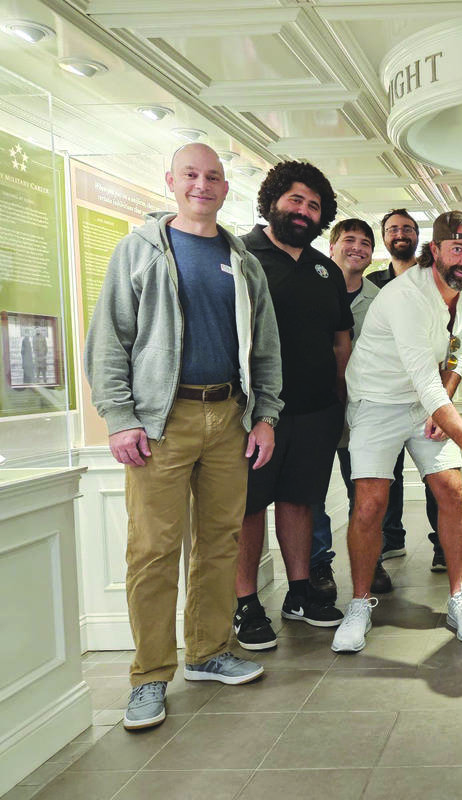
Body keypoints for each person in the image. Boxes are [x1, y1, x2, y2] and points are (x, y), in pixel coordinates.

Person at [84, 143, 282, 730]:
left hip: (229, 418)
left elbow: (265, 347)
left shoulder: (242, 260)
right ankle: (148, 677)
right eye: (191, 175)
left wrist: (265, 414)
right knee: (152, 550)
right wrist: (119, 419)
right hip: (159, 423)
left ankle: (208, 651)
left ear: (226, 187)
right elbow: (108, 341)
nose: (203, 185)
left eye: (213, 176)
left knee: (220, 541)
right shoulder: (140, 251)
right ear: (170, 181)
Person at [333, 211, 462, 653]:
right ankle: (359, 604)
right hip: (376, 401)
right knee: (370, 501)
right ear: (436, 251)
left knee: (451, 489)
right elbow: (424, 381)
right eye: (458, 249)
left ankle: (459, 599)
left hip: (424, 399)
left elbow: (458, 350)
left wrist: (440, 402)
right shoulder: (405, 294)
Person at [232, 160, 350, 650]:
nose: (303, 211)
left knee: (302, 500)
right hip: (256, 413)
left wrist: (335, 394)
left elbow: (341, 340)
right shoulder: (241, 255)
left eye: (314, 205)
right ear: (274, 201)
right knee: (250, 505)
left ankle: (300, 593)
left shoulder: (326, 269)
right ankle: (245, 605)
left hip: (317, 409)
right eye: (296, 200)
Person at [308, 218, 393, 600]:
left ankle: (370, 559)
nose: (357, 247)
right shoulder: (310, 288)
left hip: (363, 410)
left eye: (364, 242)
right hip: (315, 405)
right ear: (332, 246)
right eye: (349, 240)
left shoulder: (381, 300)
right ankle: (318, 564)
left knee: (365, 490)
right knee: (311, 491)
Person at [367, 208, 444, 571]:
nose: (400, 234)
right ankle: (389, 538)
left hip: (425, 395)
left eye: (408, 229)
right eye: (393, 229)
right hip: (384, 396)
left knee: (437, 474)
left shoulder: (430, 281)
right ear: (384, 237)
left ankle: (442, 544)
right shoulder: (372, 284)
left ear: (418, 236)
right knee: (386, 474)